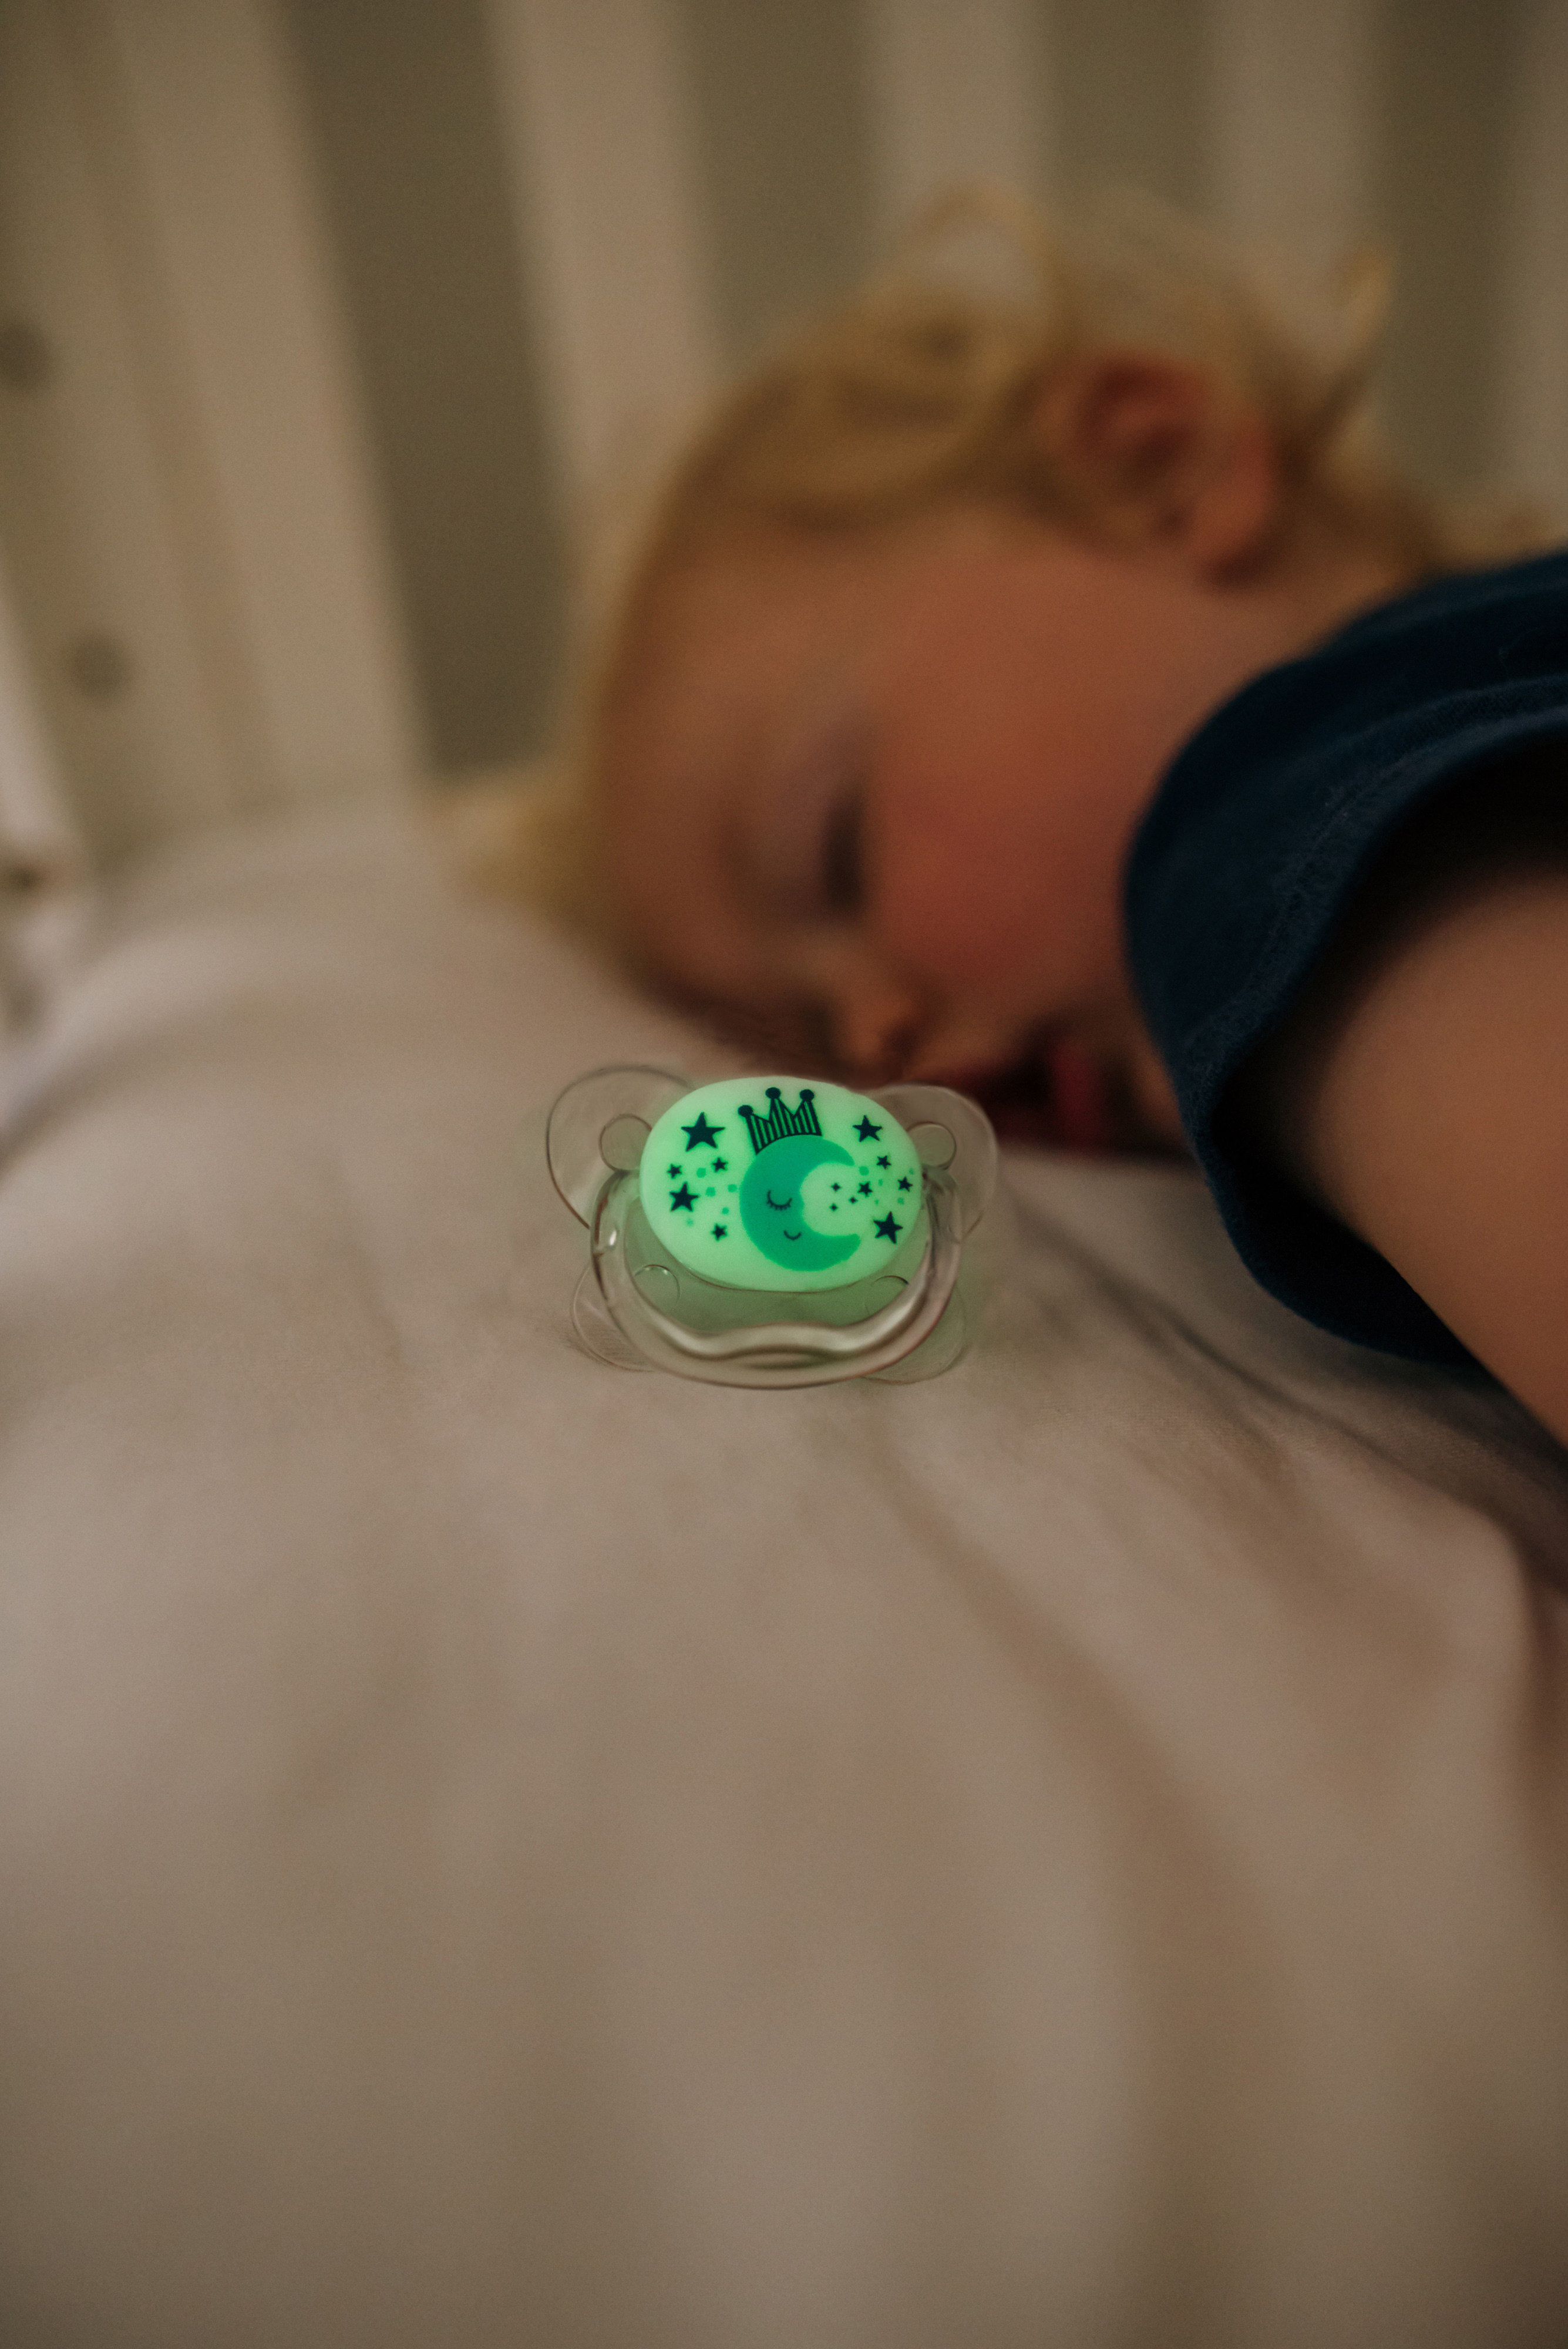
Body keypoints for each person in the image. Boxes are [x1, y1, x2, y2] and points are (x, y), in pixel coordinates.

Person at [547, 197, 1568, 1441]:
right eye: (803, 1037)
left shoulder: (1267, 816)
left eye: (839, 849)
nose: (873, 1046)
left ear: (1152, 467)